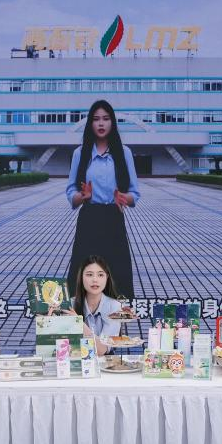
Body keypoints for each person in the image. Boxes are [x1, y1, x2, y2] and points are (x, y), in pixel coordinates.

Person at [66, 100, 141, 298]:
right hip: (89, 218)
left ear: (112, 123)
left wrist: (124, 198)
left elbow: (135, 193)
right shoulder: (80, 153)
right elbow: (71, 192)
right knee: (83, 272)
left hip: (114, 218)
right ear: (90, 123)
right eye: (96, 119)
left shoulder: (124, 153)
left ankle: (116, 316)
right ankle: (80, 315)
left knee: (118, 274)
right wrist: (82, 196)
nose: (101, 123)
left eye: (106, 119)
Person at [62, 255, 125, 357]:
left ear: (107, 278)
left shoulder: (115, 307)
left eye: (100, 275)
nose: (95, 280)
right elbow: (60, 346)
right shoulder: (70, 305)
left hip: (106, 364)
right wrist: (48, 322)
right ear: (81, 277)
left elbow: (101, 350)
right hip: (76, 363)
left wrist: (78, 323)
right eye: (89, 275)